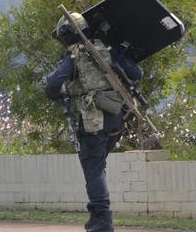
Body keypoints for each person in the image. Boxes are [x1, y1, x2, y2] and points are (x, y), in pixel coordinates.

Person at [45, 12, 142, 232]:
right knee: (97, 167)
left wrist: (61, 91)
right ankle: (98, 219)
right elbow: (136, 73)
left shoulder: (73, 54)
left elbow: (52, 86)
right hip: (117, 118)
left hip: (93, 121)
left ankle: (101, 222)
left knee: (94, 169)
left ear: (67, 34)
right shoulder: (107, 49)